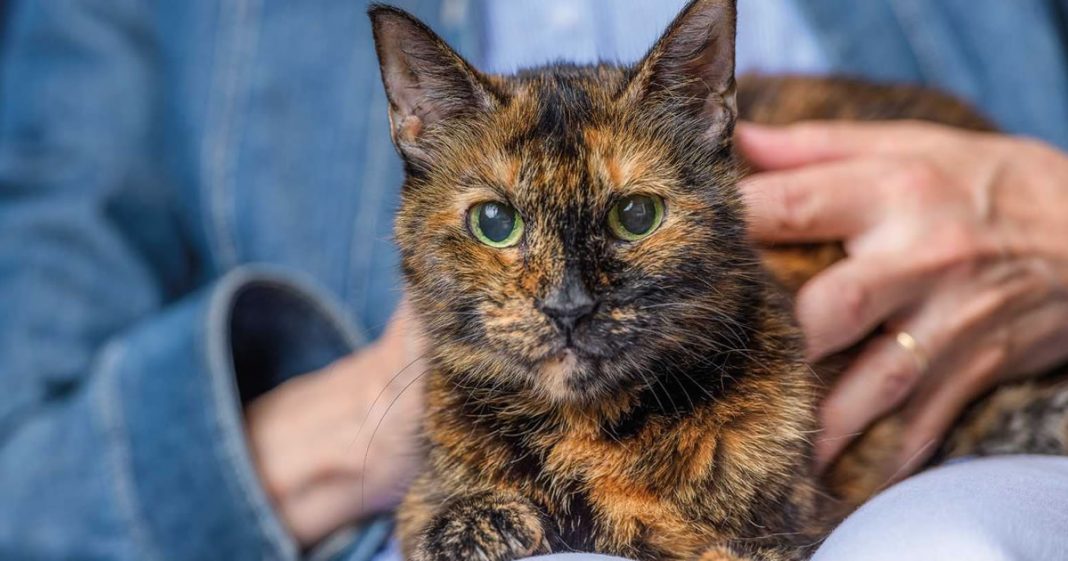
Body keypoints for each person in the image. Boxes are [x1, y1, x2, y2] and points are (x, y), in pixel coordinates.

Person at [0, 1, 1065, 561]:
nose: (563, 293)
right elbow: (25, 489)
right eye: (502, 223)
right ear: (414, 125)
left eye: (631, 216)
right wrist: (350, 443)